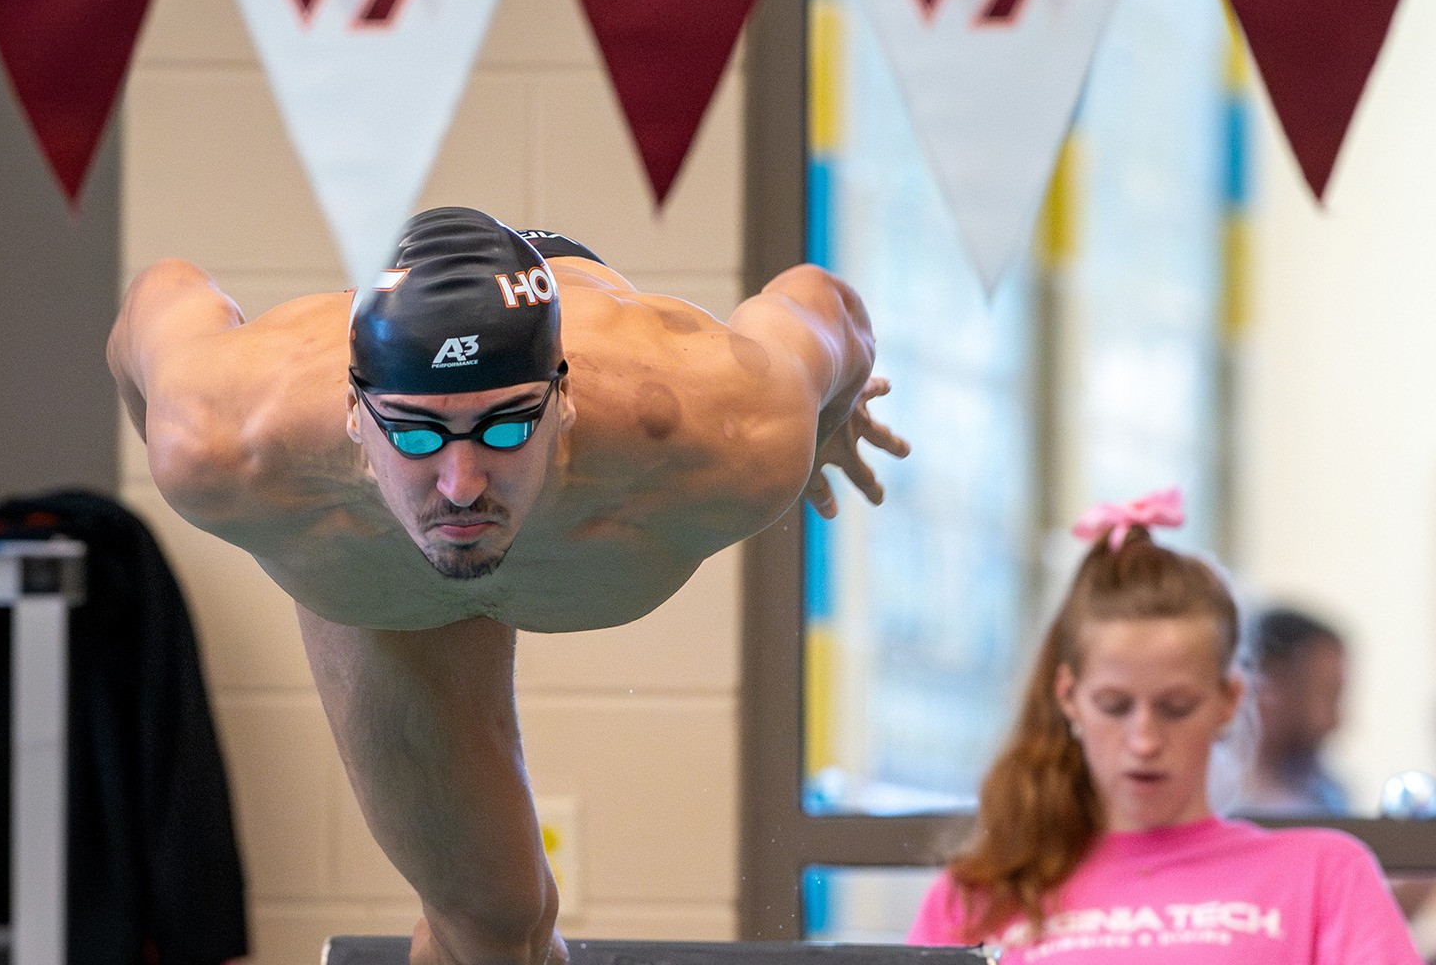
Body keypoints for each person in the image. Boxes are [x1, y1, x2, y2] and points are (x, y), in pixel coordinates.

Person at [109, 206, 907, 965]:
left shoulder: (728, 424)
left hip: (597, 345)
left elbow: (822, 305)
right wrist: (236, 490)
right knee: (495, 927)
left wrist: (831, 412)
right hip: (374, 573)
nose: (461, 484)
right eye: (417, 435)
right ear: (356, 413)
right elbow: (161, 296)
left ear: (563, 399)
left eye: (506, 426)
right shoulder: (225, 438)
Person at [908, 489, 1419, 962]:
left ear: (1228, 699)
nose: (1145, 741)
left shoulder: (1324, 875)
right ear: (1069, 698)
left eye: (1176, 707)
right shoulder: (978, 896)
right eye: (1114, 706)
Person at [1236, 605, 1351, 816]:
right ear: (1270, 681)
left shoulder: (1327, 797)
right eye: (1326, 694)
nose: (1335, 721)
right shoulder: (1212, 798)